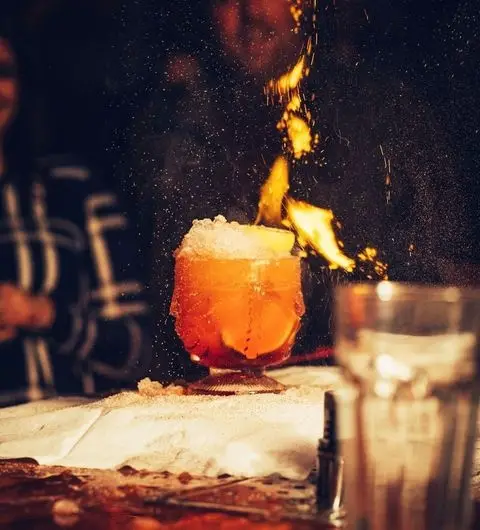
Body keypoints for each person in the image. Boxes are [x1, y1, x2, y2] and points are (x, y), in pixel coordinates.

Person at [131, 0, 478, 380]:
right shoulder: (186, 125)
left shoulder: (387, 118)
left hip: (370, 391)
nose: (249, 12)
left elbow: (452, 282)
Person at [0, 34, 151, 406]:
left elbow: (136, 351)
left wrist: (39, 313)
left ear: (20, 88)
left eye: (2, 71)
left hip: (66, 450)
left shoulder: (72, 191)